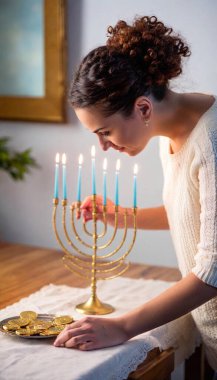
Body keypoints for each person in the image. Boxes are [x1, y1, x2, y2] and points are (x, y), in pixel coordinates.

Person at [54, 16, 217, 372]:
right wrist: (120, 215)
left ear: (143, 108)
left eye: (105, 131)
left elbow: (213, 270)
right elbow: (193, 213)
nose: (104, 146)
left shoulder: (212, 142)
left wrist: (122, 326)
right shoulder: (168, 132)